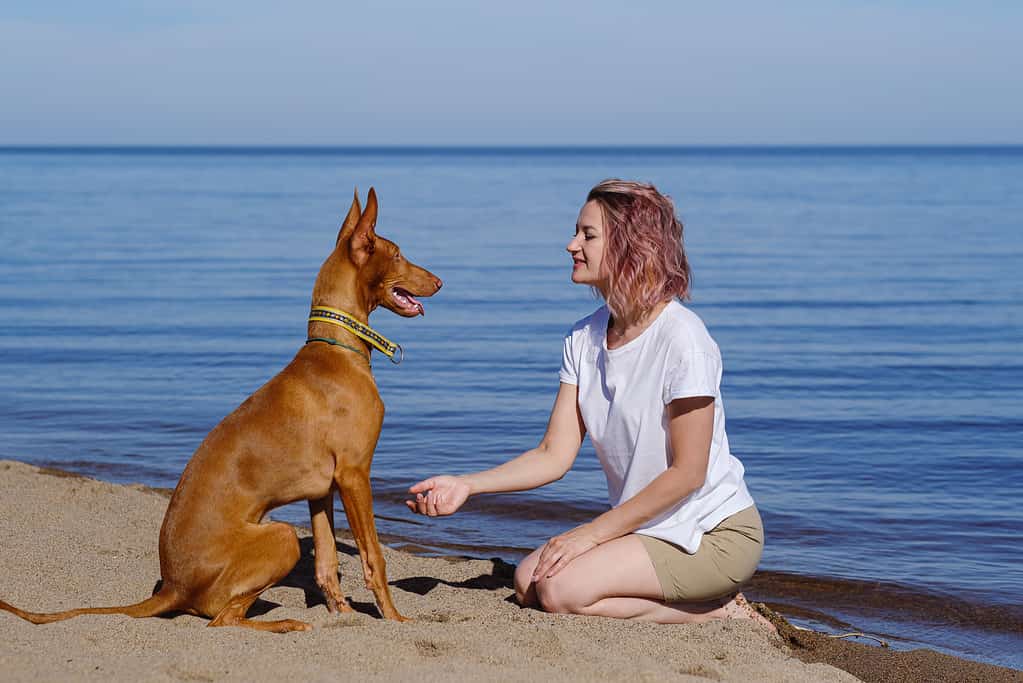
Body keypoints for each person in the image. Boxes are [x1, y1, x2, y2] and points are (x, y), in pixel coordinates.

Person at [406, 179, 772, 628]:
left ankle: (716, 611)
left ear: (632, 245)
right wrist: (467, 485)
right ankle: (693, 605)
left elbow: (688, 473)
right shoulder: (583, 337)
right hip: (649, 526)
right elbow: (552, 455)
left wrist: (588, 536)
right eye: (576, 233)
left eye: (587, 235)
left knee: (560, 590)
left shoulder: (684, 340)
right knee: (528, 582)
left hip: (711, 534)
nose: (571, 245)